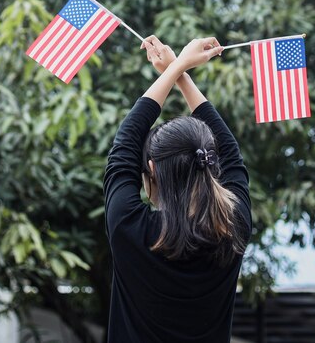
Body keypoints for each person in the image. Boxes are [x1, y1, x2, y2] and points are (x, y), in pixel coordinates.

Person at [103, 36, 252, 343]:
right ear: (211, 165)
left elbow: (124, 144)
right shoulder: (233, 228)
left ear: (152, 170)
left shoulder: (129, 228)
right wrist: (179, 71)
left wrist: (177, 68)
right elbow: (232, 156)